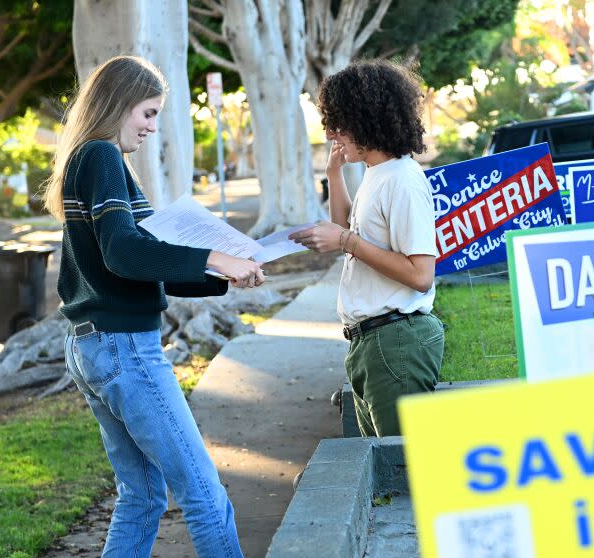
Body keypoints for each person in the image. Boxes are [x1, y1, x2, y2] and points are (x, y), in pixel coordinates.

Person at [42, 55, 261, 558]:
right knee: (205, 494)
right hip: (124, 349)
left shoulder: (88, 159)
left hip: (94, 344)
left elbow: (142, 262)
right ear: (117, 104)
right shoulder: (100, 157)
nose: (152, 127)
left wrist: (223, 273)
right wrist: (213, 255)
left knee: (142, 498)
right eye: (147, 112)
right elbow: (124, 253)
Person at [290, 59, 444, 437]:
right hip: (371, 343)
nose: (330, 134)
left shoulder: (402, 180)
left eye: (336, 123)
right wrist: (333, 176)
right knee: (380, 470)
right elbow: (346, 232)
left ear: (365, 118)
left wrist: (345, 241)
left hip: (395, 342)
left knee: (401, 470)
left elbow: (420, 275)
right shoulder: (378, 174)